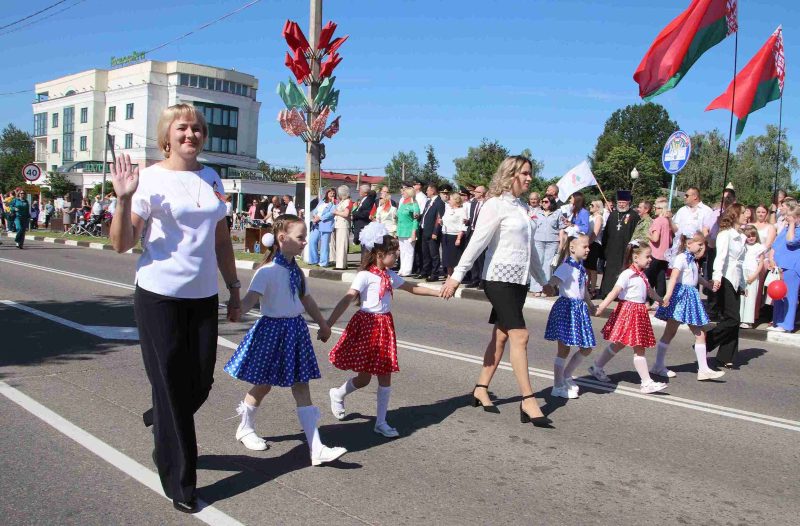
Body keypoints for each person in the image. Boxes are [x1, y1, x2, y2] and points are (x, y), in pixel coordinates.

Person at [109, 103, 241, 514]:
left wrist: (234, 288)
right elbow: (121, 243)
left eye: (197, 128)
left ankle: (163, 417)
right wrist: (123, 199)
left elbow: (221, 240)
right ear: (168, 135)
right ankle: (182, 482)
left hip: (202, 297)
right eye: (183, 128)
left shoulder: (212, 177)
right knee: (170, 385)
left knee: (200, 382)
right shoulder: (147, 179)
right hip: (159, 296)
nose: (191, 134)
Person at [223, 216, 348, 464]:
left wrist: (323, 325)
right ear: (283, 239)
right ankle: (245, 427)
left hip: (295, 330)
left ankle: (316, 448)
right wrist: (237, 310)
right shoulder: (266, 272)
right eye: (300, 237)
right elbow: (251, 300)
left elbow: (306, 300)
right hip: (272, 331)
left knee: (301, 386)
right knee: (263, 384)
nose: (304, 242)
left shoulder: (297, 272)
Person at [441, 156, 552, 427]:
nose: (529, 178)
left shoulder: (523, 208)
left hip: (519, 282)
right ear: (510, 174)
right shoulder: (495, 204)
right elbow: (477, 243)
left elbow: (530, 251)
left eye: (530, 174)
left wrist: (543, 279)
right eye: (524, 173)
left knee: (501, 336)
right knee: (520, 335)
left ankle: (481, 387)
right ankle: (528, 399)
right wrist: (456, 276)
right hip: (498, 280)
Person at [326, 223, 440, 437]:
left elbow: (412, 288)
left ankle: (380, 422)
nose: (396, 257)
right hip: (367, 326)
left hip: (384, 326)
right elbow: (348, 298)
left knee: (385, 375)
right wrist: (328, 324)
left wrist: (438, 292)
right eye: (393, 254)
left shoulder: (389, 275)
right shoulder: (365, 276)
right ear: (379, 254)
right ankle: (338, 393)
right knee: (364, 378)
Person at [592, 242, 667, 393]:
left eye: (650, 256)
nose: (650, 259)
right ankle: (646, 383)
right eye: (647, 256)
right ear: (635, 257)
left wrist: (660, 300)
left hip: (638, 312)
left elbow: (650, 292)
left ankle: (597, 367)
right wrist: (601, 307)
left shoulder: (642, 275)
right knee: (639, 348)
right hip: (629, 312)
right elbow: (614, 292)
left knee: (619, 343)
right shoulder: (627, 274)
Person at [653, 233, 725, 380]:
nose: (701, 247)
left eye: (702, 244)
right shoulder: (681, 258)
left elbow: (695, 277)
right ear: (688, 244)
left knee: (693, 333)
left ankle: (660, 365)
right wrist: (667, 295)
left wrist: (708, 285)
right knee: (675, 332)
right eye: (699, 244)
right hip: (681, 297)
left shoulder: (691, 260)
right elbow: (674, 277)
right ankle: (659, 366)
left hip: (690, 297)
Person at [542, 234, 597, 399]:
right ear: (572, 248)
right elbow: (554, 280)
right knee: (564, 349)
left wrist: (591, 305)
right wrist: (549, 287)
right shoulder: (567, 266)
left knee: (587, 347)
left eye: (588, 247)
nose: (588, 249)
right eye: (584, 246)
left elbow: (583, 290)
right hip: (567, 308)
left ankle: (566, 374)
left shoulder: (580, 267)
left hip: (579, 309)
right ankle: (557, 385)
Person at [704, 204, 747, 368]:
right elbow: (720, 258)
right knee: (732, 318)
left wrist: (742, 284)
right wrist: (716, 277)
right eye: (743, 213)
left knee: (734, 319)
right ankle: (706, 342)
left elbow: (740, 263)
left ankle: (726, 356)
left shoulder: (740, 236)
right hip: (725, 278)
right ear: (734, 215)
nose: (746, 216)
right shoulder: (725, 235)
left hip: (736, 280)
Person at [599, 190, 640, 297]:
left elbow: (636, 233)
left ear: (628, 202)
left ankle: (620, 294)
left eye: (623, 202)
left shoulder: (634, 216)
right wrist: (605, 248)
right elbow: (606, 232)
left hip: (625, 249)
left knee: (623, 271)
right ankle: (606, 292)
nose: (621, 204)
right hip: (612, 248)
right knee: (609, 271)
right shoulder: (613, 214)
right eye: (619, 202)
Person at [769, 203, 800, 332]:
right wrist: (772, 259)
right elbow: (775, 244)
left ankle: (787, 324)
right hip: (779, 266)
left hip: (792, 267)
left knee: (789, 296)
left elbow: (790, 241)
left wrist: (793, 224)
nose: (787, 218)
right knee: (778, 295)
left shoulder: (795, 230)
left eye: (790, 216)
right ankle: (778, 321)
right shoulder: (786, 229)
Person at [530, 195, 566, 295]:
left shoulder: (558, 213)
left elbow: (561, 229)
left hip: (552, 241)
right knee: (538, 263)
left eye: (546, 202)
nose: (544, 203)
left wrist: (561, 243)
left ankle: (546, 288)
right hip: (538, 240)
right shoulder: (537, 212)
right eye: (543, 201)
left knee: (548, 265)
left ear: (551, 203)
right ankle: (536, 289)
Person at [739, 225, 765, 329]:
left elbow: (761, 263)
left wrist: (754, 275)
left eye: (753, 235)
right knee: (741, 296)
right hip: (742, 272)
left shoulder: (759, 247)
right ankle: (739, 318)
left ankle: (748, 320)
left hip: (753, 273)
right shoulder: (743, 246)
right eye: (748, 236)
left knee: (750, 297)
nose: (750, 238)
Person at [647, 197, 674, 298]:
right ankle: (660, 301)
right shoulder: (667, 222)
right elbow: (670, 240)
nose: (654, 209)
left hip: (655, 253)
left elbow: (655, 238)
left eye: (656, 208)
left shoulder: (658, 221)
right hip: (664, 255)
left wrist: (647, 235)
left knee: (647, 277)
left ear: (661, 209)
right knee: (660, 278)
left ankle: (646, 300)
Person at [419, 183, 445, 282]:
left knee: (434, 254)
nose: (426, 192)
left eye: (428, 190)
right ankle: (426, 271)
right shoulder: (429, 202)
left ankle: (435, 274)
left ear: (433, 191)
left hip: (432, 233)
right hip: (425, 231)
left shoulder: (439, 203)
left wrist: (435, 232)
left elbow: (439, 218)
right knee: (426, 254)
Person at [463, 185, 487, 288]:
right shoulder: (473, 203)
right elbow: (472, 218)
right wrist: (467, 222)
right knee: (472, 256)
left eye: (477, 192)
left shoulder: (487, 204)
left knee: (481, 258)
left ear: (482, 193)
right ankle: (474, 279)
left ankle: (482, 280)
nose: (474, 193)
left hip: (481, 233)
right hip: (471, 232)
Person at [307, 188, 335, 267]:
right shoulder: (322, 201)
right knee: (312, 240)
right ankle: (314, 259)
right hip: (316, 224)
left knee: (324, 244)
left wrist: (320, 218)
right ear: (327, 193)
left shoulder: (334, 203)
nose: (332, 195)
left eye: (333, 193)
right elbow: (315, 210)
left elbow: (331, 214)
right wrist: (315, 216)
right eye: (331, 193)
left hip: (325, 224)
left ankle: (324, 262)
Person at [441, 192, 468, 277]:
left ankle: (456, 276)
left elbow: (463, 226)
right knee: (447, 257)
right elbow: (445, 221)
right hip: (446, 235)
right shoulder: (448, 210)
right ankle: (449, 275)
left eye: (450, 199)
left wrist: (459, 238)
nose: (449, 201)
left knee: (455, 258)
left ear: (456, 201)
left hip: (455, 236)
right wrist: (441, 222)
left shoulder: (461, 211)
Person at [396, 183, 420, 276]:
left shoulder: (414, 205)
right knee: (403, 251)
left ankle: (407, 270)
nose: (403, 193)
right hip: (401, 230)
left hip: (409, 231)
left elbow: (415, 220)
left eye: (405, 192)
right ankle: (402, 268)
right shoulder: (402, 203)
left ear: (409, 194)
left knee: (409, 251)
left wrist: (414, 232)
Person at [585, 200, 606, 297]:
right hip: (587, 243)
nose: (590, 206)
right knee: (586, 268)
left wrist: (588, 243)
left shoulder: (599, 218)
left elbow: (595, 233)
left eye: (592, 205)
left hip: (595, 244)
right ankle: (585, 287)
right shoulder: (590, 217)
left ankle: (593, 290)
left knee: (592, 268)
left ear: (598, 207)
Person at [332, 185, 352, 270]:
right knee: (339, 245)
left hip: (343, 225)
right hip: (339, 225)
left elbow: (346, 214)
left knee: (342, 245)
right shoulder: (343, 201)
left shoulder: (348, 202)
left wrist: (336, 212)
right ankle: (341, 264)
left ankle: (341, 265)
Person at [412, 178, 428, 275]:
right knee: (415, 248)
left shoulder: (422, 197)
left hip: (418, 223)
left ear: (419, 186)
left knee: (419, 248)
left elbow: (421, 212)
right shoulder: (414, 196)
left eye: (414, 184)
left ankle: (420, 267)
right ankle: (415, 267)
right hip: (412, 223)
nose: (413, 186)